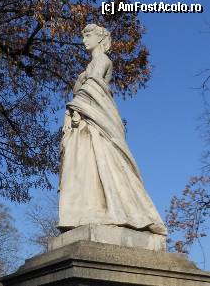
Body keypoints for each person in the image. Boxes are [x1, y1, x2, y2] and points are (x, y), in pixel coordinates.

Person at [58, 24, 167, 236]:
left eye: (87, 35)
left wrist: (76, 108)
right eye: (83, 36)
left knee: (104, 164)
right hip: (86, 120)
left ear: (99, 38)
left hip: (96, 119)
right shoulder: (92, 63)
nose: (84, 41)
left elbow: (93, 89)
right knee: (87, 168)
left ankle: (115, 210)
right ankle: (91, 211)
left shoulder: (102, 60)